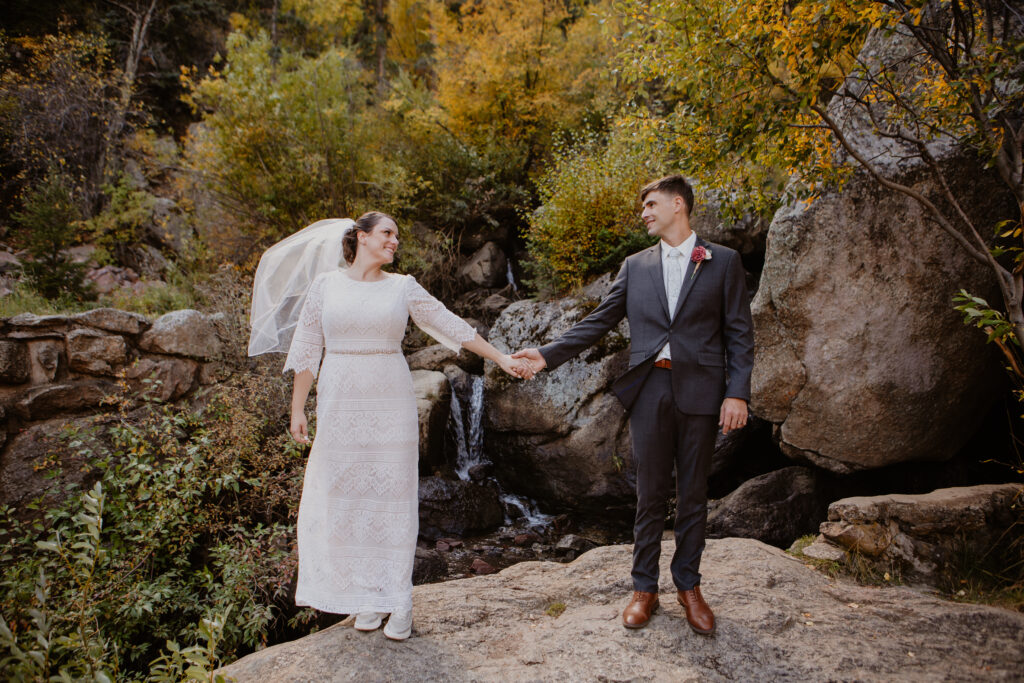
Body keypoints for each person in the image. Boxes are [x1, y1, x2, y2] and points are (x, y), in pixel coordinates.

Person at [250, 211, 527, 641]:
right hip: (340, 403)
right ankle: (367, 596)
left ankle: (398, 600)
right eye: (387, 233)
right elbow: (307, 349)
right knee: (349, 495)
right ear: (361, 238)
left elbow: (450, 325)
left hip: (389, 401)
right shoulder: (325, 286)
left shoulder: (404, 287)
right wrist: (297, 409)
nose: (395, 241)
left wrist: (501, 358)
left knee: (391, 496)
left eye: (397, 235)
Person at [513, 175, 754, 635]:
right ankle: (644, 588)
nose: (643, 212)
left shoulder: (722, 261)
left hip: (703, 392)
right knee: (648, 494)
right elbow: (599, 321)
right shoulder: (635, 266)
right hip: (650, 391)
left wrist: (737, 392)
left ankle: (689, 586)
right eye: (643, 205)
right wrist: (545, 355)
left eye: (651, 203)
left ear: (677, 204)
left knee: (694, 495)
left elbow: (740, 333)